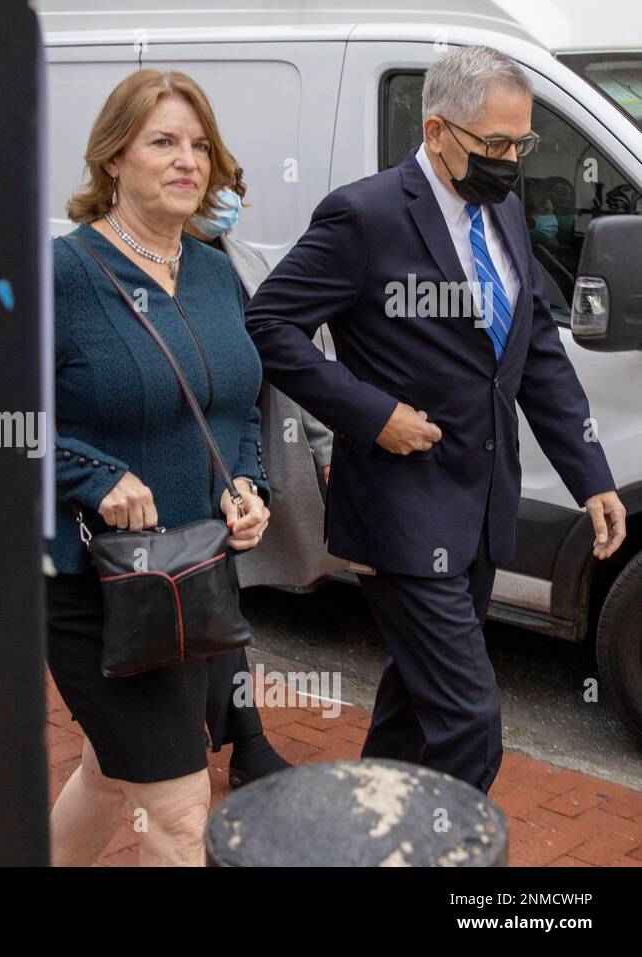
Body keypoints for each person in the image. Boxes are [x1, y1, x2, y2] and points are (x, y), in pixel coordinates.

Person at [244, 45, 627, 794]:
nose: (511, 161)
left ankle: (362, 829)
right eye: (494, 145)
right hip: (400, 507)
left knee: (415, 706)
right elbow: (269, 323)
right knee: (468, 722)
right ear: (436, 130)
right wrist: (372, 412)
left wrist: (591, 476)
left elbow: (533, 352)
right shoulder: (365, 215)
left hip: (482, 507)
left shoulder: (505, 207)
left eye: (523, 144)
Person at [48, 68, 271, 866]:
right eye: (164, 142)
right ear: (113, 158)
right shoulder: (65, 275)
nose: (188, 160)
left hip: (194, 581)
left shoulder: (214, 270)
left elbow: (239, 404)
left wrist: (247, 484)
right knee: (180, 813)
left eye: (200, 145)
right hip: (94, 587)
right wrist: (90, 473)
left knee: (111, 775)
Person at [192, 183, 347, 788]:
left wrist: (320, 448)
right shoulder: (128, 265)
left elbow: (290, 357)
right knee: (204, 608)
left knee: (214, 605)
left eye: (230, 180)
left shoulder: (242, 259)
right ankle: (240, 746)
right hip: (174, 469)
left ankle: (242, 746)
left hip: (234, 459)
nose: (225, 195)